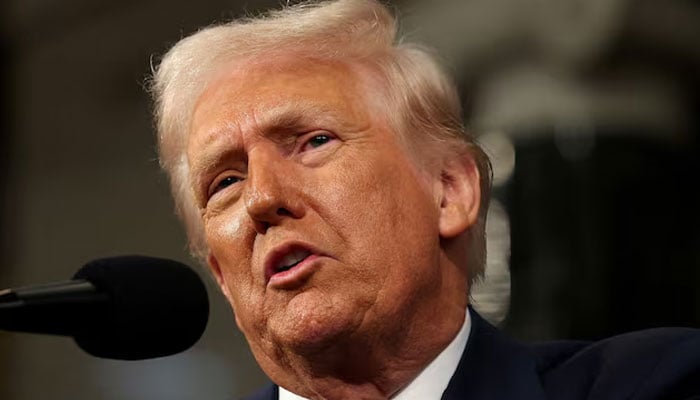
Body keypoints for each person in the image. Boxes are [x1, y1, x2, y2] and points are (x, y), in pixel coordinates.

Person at [149, 0, 700, 399]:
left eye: (315, 141)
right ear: (221, 273)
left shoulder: (664, 381)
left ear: (450, 191)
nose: (263, 197)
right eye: (225, 182)